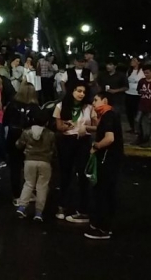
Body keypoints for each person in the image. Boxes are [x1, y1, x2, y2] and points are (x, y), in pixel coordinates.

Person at [53, 82, 97, 223]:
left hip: (83, 141)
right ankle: (62, 206)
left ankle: (83, 209)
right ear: (72, 91)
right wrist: (66, 126)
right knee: (65, 173)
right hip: (67, 141)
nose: (81, 94)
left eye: (83, 92)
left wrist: (87, 128)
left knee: (83, 175)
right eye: (78, 91)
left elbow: (97, 126)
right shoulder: (61, 106)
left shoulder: (89, 108)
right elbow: (58, 126)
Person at [85, 92, 124, 240]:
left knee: (103, 192)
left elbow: (109, 138)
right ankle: (100, 223)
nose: (93, 103)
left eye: (96, 100)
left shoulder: (108, 115)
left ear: (105, 100)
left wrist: (96, 146)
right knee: (104, 192)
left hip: (107, 160)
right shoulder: (109, 115)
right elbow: (104, 130)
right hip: (111, 160)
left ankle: (103, 228)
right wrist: (88, 128)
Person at [4, 83, 41, 203]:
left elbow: (5, 121)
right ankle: (28, 193)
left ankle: (16, 195)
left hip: (13, 136)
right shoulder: (35, 108)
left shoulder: (12, 105)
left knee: (14, 167)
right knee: (29, 167)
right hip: (30, 139)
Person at [15, 113, 55, 222]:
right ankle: (38, 213)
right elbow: (54, 149)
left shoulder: (27, 132)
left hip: (29, 160)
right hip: (45, 162)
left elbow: (19, 144)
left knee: (28, 183)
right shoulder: (51, 134)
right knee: (42, 186)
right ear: (46, 122)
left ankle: (22, 207)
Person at [135, 64, 151, 146]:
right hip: (142, 105)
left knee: (148, 123)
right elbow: (138, 91)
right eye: (145, 73)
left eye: (148, 73)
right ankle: (140, 137)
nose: (146, 75)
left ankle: (146, 139)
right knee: (137, 121)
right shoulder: (142, 81)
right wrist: (142, 92)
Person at [124, 57, 145, 133]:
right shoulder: (129, 71)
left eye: (134, 60)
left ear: (138, 62)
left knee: (136, 112)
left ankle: (138, 128)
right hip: (128, 93)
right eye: (132, 60)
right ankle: (132, 127)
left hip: (137, 95)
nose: (132, 62)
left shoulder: (141, 72)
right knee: (129, 112)